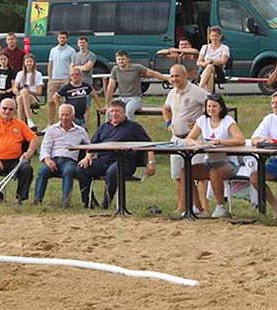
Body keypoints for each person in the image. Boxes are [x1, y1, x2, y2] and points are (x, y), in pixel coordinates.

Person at [77, 100, 155, 209]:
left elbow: (149, 144)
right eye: (112, 111)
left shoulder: (133, 127)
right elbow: (93, 145)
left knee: (113, 171)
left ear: (124, 113)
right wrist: (87, 157)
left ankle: (106, 204)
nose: (114, 114)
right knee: (81, 168)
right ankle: (89, 202)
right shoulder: (104, 127)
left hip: (124, 162)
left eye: (117, 111)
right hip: (103, 161)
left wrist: (151, 162)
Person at [183, 93, 244, 219]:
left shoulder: (228, 121)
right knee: (185, 172)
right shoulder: (202, 120)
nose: (211, 109)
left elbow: (240, 139)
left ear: (221, 108)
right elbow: (189, 138)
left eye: (214, 106)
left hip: (228, 163)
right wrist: (197, 142)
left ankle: (220, 206)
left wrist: (220, 141)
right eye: (209, 106)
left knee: (215, 173)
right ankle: (197, 207)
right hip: (209, 161)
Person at [162, 64, 210, 215]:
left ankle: (204, 208)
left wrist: (201, 122)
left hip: (195, 139)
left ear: (185, 76)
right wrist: (168, 122)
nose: (174, 79)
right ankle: (182, 207)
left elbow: (214, 105)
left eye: (177, 76)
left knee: (200, 177)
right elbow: (166, 108)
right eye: (172, 76)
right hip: (176, 139)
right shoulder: (172, 93)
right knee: (178, 175)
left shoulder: (196, 92)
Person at [0, 99, 38, 204]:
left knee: (27, 169)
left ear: (15, 111)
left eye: (11, 109)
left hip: (15, 160)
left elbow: (33, 138)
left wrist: (29, 152)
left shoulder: (20, 124)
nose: (7, 111)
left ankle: (19, 198)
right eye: (4, 108)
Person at [35, 104, 89, 207]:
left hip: (70, 160)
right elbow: (45, 147)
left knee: (68, 171)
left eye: (67, 115)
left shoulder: (80, 131)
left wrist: (87, 157)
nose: (64, 118)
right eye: (62, 115)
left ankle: (66, 202)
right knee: (42, 171)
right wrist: (47, 160)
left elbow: (89, 148)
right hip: (53, 159)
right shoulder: (52, 129)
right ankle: (37, 201)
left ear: (73, 116)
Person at [105, 50, 168, 119]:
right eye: (119, 59)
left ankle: (131, 128)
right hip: (121, 98)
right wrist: (107, 103)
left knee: (129, 111)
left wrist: (167, 79)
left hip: (135, 98)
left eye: (123, 59)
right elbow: (111, 86)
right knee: (109, 111)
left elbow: (152, 73)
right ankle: (108, 129)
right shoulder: (115, 70)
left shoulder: (136, 68)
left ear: (128, 59)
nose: (121, 61)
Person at [47, 31, 76, 126]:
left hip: (65, 79)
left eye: (63, 38)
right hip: (54, 79)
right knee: (51, 102)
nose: (61, 39)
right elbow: (50, 65)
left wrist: (70, 79)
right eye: (60, 37)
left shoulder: (71, 51)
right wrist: (50, 78)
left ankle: (65, 123)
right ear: (58, 38)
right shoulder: (53, 50)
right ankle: (50, 124)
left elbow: (73, 65)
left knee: (65, 102)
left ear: (67, 39)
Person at [71, 36, 103, 112]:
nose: (81, 44)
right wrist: (81, 67)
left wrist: (76, 68)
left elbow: (87, 68)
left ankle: (85, 123)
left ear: (87, 44)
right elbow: (71, 68)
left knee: (86, 105)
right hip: (76, 83)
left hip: (86, 82)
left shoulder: (91, 55)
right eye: (80, 43)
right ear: (77, 44)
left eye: (83, 42)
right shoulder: (74, 55)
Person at [15, 53, 45, 130]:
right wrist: (17, 91)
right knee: (19, 98)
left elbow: (39, 92)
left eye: (30, 61)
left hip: (34, 97)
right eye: (27, 62)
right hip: (21, 96)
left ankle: (28, 119)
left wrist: (29, 91)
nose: (29, 63)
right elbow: (15, 87)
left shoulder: (38, 74)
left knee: (24, 92)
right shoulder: (20, 74)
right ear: (24, 63)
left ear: (34, 63)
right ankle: (23, 125)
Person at [197, 26, 230, 92]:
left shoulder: (224, 48)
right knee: (211, 75)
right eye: (212, 36)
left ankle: (199, 88)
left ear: (220, 37)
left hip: (219, 70)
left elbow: (223, 61)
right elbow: (198, 62)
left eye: (216, 36)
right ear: (209, 37)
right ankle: (209, 95)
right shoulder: (205, 47)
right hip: (205, 69)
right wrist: (205, 63)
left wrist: (211, 61)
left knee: (210, 66)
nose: (214, 38)